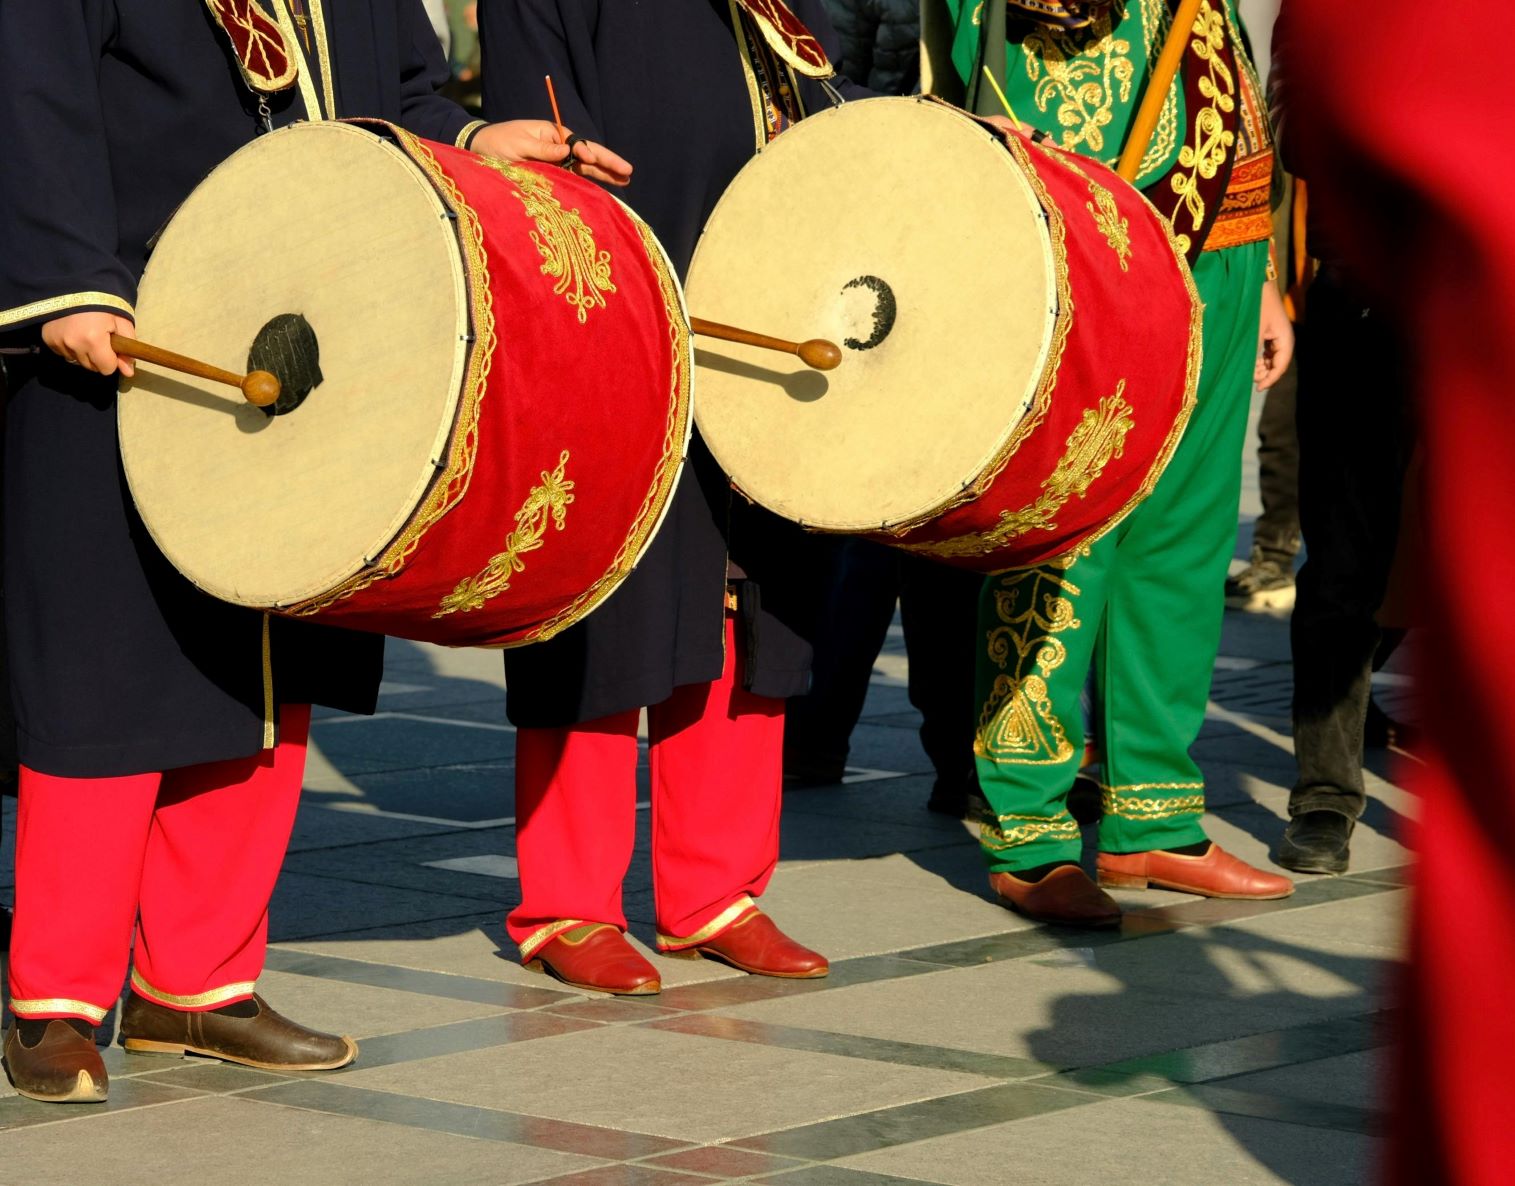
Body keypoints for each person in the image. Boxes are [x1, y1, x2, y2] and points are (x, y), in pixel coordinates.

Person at [0, 0, 628, 1104]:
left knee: (268, 667)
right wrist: (64, 278)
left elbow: (406, 96)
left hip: (305, 340)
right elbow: (28, 84)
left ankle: (198, 982)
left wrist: (473, 141)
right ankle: (54, 997)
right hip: (125, 326)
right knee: (106, 676)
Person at [478, 0, 869, 995]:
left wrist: (939, 138)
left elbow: (820, 105)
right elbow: (542, 141)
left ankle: (716, 891)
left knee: (754, 598)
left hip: (774, 318)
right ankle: (569, 902)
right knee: (604, 601)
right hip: (624, 305)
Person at [924, 0, 1296, 925]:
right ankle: (1029, 829)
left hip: (1222, 234)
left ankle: (1152, 820)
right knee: (1065, 526)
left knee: (1185, 536)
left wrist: (1265, 283)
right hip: (1092, 226)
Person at [1269, 6, 1415, 876]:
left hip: (1487, 292)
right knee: (1344, 564)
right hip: (1365, 294)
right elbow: (1287, 130)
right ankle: (1324, 795)